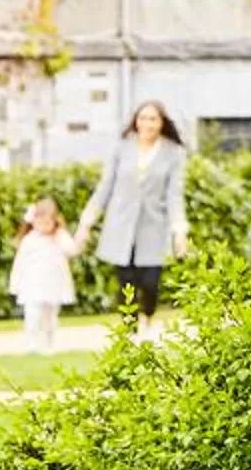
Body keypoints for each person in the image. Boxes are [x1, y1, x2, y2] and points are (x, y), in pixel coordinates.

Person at [76, 98, 190, 322]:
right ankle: (129, 331)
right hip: (122, 225)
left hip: (153, 226)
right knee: (126, 282)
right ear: (135, 121)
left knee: (150, 282)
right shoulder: (121, 148)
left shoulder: (173, 153)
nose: (147, 124)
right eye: (143, 118)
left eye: (153, 119)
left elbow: (174, 194)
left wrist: (180, 230)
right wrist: (86, 223)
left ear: (161, 123)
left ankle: (148, 317)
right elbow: (105, 186)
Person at [7, 195, 78, 353]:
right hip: (33, 284)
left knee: (50, 316)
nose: (44, 226)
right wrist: (15, 283)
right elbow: (20, 264)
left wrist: (61, 233)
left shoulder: (59, 237)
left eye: (48, 222)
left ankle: (49, 343)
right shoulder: (29, 240)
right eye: (40, 222)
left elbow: (72, 250)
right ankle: (31, 342)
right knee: (32, 314)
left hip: (53, 283)